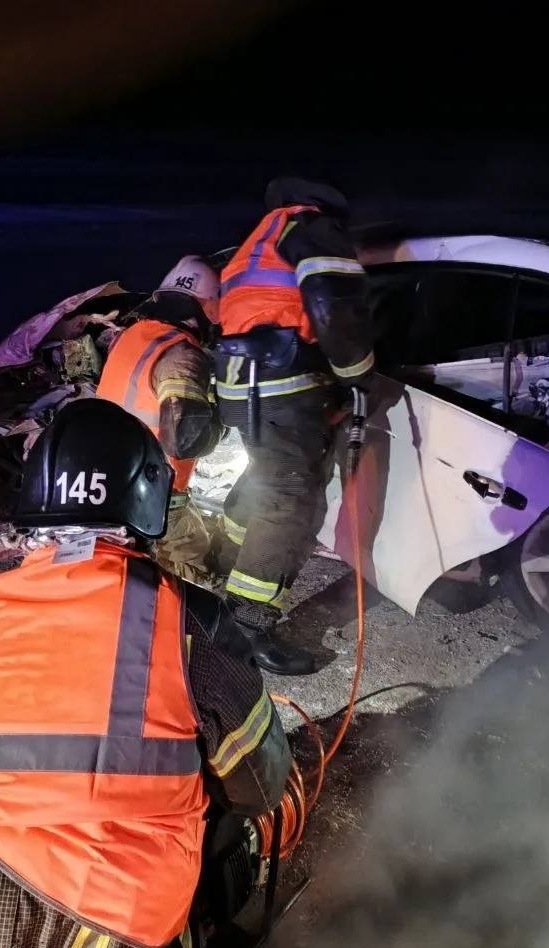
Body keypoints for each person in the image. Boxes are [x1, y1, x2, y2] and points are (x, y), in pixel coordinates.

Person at [0, 399, 290, 948]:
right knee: (221, 819)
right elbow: (259, 784)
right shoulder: (183, 617)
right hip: (100, 925)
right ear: (149, 497)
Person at [214, 177, 375, 676]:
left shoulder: (257, 242)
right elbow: (332, 304)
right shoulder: (311, 228)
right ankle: (244, 628)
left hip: (244, 384)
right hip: (281, 383)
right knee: (290, 500)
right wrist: (357, 375)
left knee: (267, 480)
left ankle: (224, 567)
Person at [97, 256, 223, 587]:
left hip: (113, 481)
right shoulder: (183, 354)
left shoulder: (133, 337)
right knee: (192, 578)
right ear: (208, 308)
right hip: (157, 492)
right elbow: (183, 438)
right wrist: (220, 422)